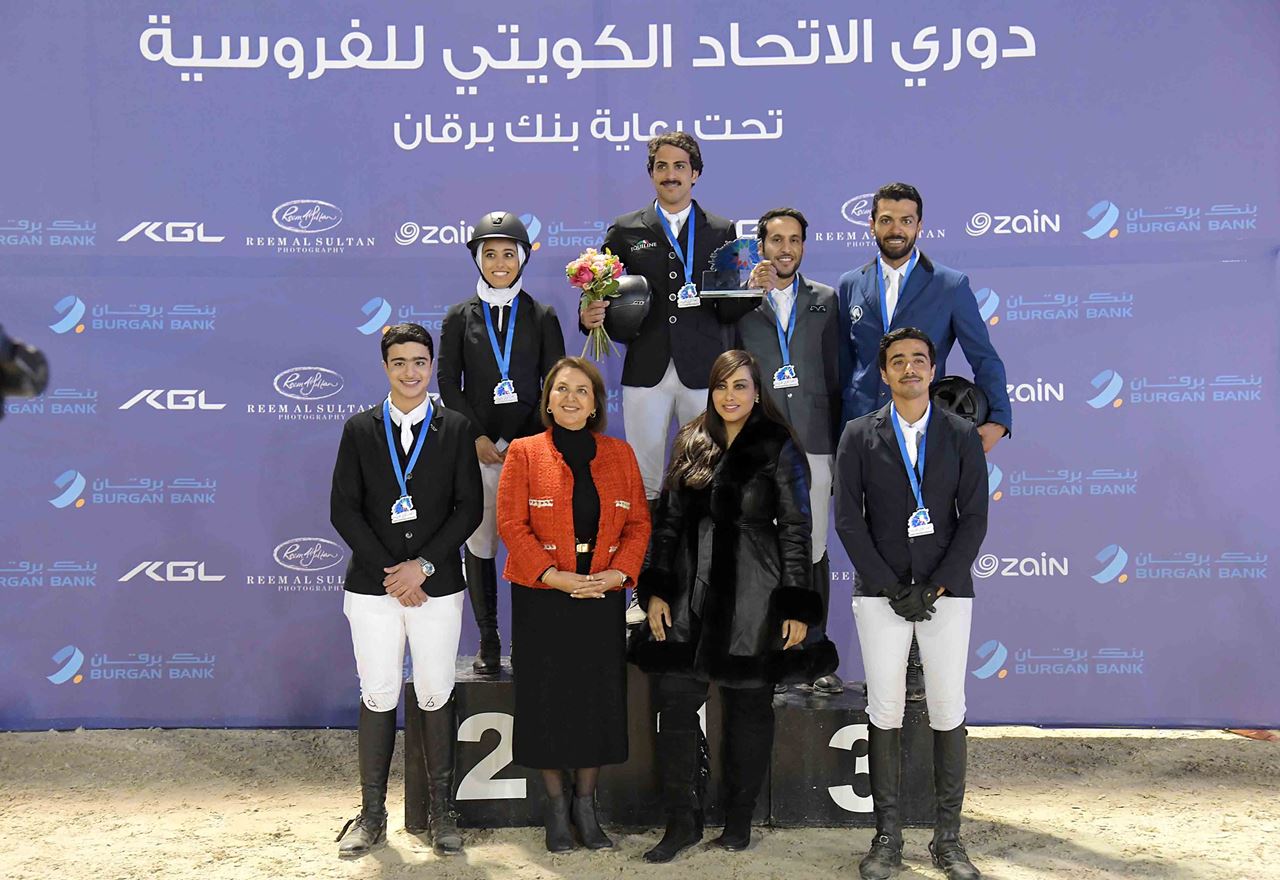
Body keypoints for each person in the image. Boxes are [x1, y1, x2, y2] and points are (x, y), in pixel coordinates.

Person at [630, 349, 838, 862]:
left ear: (756, 390)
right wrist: (655, 589)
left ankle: (739, 819)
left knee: (748, 709)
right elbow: (669, 523)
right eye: (722, 385)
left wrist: (795, 604)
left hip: (753, 593)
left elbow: (796, 529)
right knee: (674, 706)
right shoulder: (690, 440)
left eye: (740, 386)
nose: (730, 395)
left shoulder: (777, 444)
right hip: (686, 590)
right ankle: (681, 823)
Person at [837, 181, 1011, 704]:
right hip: (865, 436)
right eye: (886, 219)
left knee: (926, 540)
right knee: (871, 539)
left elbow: (985, 356)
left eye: (906, 220)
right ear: (871, 225)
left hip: (927, 436)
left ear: (919, 226)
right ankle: (886, 667)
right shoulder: (850, 284)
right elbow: (843, 365)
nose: (896, 229)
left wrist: (997, 419)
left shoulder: (951, 284)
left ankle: (917, 670)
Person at [833, 328, 988, 880]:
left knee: (948, 709)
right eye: (897, 361)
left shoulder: (961, 433)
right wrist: (893, 586)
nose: (909, 368)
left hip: (948, 595)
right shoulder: (857, 434)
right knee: (885, 711)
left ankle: (948, 841)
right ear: (884, 373)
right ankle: (887, 838)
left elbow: (973, 518)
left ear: (932, 368)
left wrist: (938, 585)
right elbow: (849, 520)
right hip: (881, 596)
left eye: (919, 360)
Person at [329, 323, 482, 859]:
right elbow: (343, 509)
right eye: (400, 362)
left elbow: (470, 508)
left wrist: (421, 566)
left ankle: (443, 814)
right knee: (378, 693)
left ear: (431, 364)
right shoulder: (359, 429)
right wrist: (394, 570)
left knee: (435, 690)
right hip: (373, 589)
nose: (410, 372)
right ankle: (372, 815)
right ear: (385, 367)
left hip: (436, 587)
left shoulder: (457, 427)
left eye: (420, 362)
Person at [496, 356, 651, 852]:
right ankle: (556, 811)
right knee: (546, 700)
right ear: (547, 399)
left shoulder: (619, 454)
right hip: (543, 596)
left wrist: (620, 574)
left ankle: (588, 805)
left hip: (602, 595)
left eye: (581, 390)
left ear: (596, 403)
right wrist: (555, 576)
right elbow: (511, 525)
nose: (570, 397)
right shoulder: (523, 452)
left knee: (597, 702)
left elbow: (639, 524)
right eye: (560, 389)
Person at [580, 132, 755, 502]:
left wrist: (754, 291)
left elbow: (726, 310)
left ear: (696, 174)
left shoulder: (722, 230)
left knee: (707, 471)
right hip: (646, 368)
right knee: (643, 480)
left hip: (705, 370)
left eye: (680, 167)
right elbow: (601, 298)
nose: (670, 174)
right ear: (651, 173)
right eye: (662, 166)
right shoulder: (625, 229)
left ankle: (700, 559)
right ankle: (648, 559)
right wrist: (588, 314)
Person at [437, 211, 565, 675]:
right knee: (481, 543)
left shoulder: (543, 315)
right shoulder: (457, 317)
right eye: (489, 254)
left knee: (533, 545)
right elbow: (449, 382)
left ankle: (529, 638)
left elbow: (555, 385)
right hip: (478, 452)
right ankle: (489, 639)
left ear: (523, 257)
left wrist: (518, 439)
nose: (499, 262)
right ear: (477, 258)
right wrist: (476, 437)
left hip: (531, 451)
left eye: (508, 253)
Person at [740, 207, 845, 696]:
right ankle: (770, 651)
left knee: (815, 548)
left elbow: (843, 373)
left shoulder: (827, 299)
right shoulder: (742, 302)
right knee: (766, 549)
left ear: (804, 246)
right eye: (776, 239)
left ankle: (813, 652)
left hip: (816, 442)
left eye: (795, 240)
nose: (785, 248)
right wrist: (746, 296)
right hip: (759, 446)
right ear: (761, 246)